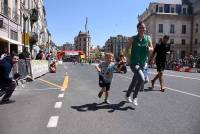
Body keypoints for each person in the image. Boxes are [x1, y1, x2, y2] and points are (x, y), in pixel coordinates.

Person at [124, 22, 153, 106]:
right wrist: (128, 59)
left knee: (134, 81)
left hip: (142, 63)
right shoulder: (133, 38)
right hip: (134, 63)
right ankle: (135, 97)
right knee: (142, 79)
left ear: (145, 29)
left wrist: (149, 48)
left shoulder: (148, 38)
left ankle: (127, 95)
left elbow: (152, 48)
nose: (142, 29)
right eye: (140, 27)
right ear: (137, 29)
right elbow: (126, 49)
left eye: (143, 27)